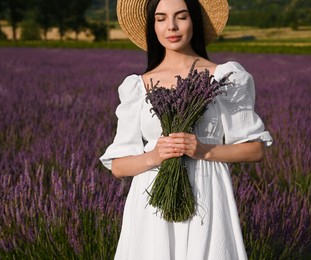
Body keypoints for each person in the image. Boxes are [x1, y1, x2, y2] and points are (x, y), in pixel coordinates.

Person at [100, 0, 273, 259]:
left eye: (181, 17)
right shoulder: (136, 86)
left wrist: (204, 150)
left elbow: (255, 149)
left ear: (194, 20)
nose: (171, 26)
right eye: (161, 19)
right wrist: (155, 155)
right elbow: (118, 167)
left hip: (207, 191)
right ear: (153, 26)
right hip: (151, 200)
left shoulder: (226, 78)